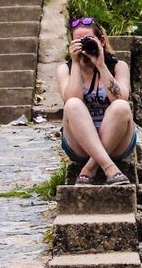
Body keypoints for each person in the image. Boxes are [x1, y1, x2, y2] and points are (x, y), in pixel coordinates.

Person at [58, 16, 136, 184]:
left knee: (121, 106)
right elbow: (72, 98)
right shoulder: (66, 69)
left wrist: (101, 65)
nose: (84, 46)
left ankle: (90, 168)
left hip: (118, 140)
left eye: (88, 40)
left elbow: (120, 97)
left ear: (101, 40)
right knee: (72, 104)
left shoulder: (118, 66)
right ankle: (109, 167)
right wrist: (76, 63)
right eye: (78, 42)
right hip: (79, 143)